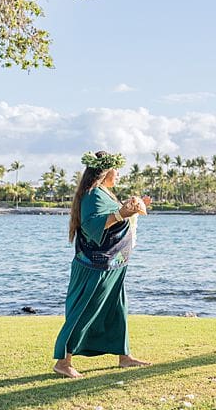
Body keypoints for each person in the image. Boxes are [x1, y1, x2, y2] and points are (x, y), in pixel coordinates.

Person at [52, 151, 152, 378]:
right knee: (82, 310)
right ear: (105, 171)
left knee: (117, 309)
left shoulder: (104, 193)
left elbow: (117, 216)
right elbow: (92, 225)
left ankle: (124, 356)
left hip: (113, 262)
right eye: (115, 170)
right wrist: (122, 213)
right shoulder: (92, 195)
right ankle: (63, 362)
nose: (118, 175)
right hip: (95, 264)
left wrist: (135, 209)